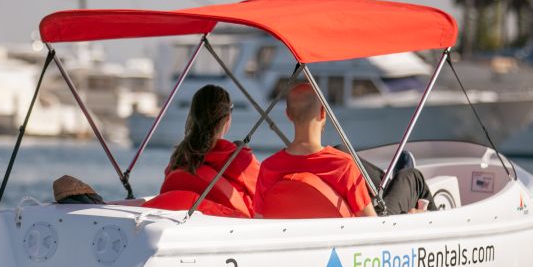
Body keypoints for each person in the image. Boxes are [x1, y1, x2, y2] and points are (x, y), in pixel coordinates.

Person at [256, 82, 434, 217]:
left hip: (297, 243)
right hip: (362, 243)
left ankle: (387, 180)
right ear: (323, 113)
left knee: (342, 149)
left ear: (288, 115)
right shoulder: (343, 166)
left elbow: (258, 219)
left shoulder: (268, 168)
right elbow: (372, 225)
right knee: (411, 177)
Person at [143, 84, 260, 218]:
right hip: (231, 232)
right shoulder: (240, 160)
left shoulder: (179, 158)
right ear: (227, 118)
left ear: (193, 116)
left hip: (178, 229)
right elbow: (265, 196)